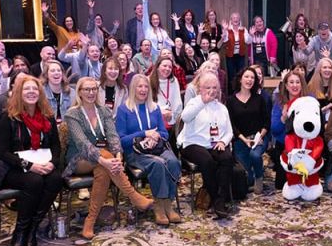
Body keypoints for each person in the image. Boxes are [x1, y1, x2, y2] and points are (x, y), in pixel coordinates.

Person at [64, 77, 154, 238]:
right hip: (78, 158)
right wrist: (105, 159)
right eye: (87, 89)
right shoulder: (73, 114)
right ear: (79, 92)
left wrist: (118, 156)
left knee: (103, 170)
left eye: (94, 89)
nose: (91, 93)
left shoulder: (104, 111)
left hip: (103, 161)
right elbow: (82, 143)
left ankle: (90, 221)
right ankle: (134, 197)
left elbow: (113, 136)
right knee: (105, 159)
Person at [0, 75, 63, 246]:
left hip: (41, 163)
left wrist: (52, 163)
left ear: (40, 93)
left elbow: (56, 146)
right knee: (34, 181)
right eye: (26, 89)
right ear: (18, 93)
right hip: (11, 168)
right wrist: (29, 166)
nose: (31, 92)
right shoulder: (8, 117)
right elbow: (2, 152)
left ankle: (32, 228)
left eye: (35, 89)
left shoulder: (47, 116)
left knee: (56, 178)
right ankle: (20, 232)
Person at [115, 75, 181, 226]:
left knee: (172, 161)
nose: (143, 90)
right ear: (133, 89)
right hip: (135, 152)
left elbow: (164, 133)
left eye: (146, 86)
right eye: (139, 86)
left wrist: (155, 136)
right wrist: (144, 134)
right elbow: (122, 139)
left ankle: (168, 204)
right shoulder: (124, 110)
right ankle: (159, 206)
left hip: (156, 148)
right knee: (158, 165)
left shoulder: (155, 108)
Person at [178, 73, 235, 219]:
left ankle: (221, 199)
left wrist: (223, 142)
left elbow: (229, 131)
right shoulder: (195, 103)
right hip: (192, 143)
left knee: (227, 158)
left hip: (214, 143)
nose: (211, 90)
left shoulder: (222, 107)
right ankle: (215, 198)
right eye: (207, 87)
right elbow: (185, 117)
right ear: (200, 88)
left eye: (214, 87)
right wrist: (202, 102)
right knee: (207, 161)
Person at [227, 67, 270, 193]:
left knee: (255, 155)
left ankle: (259, 177)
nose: (249, 80)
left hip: (259, 138)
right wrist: (244, 139)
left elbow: (267, 122)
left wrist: (260, 137)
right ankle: (252, 176)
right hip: (241, 140)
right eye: (246, 76)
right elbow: (231, 125)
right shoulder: (230, 101)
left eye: (252, 77)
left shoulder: (259, 99)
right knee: (247, 179)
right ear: (240, 79)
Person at [271, 70, 305, 193]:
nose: (295, 85)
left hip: (304, 146)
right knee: (281, 185)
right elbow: (274, 130)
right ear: (286, 85)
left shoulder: (308, 100)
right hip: (284, 146)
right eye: (291, 82)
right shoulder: (279, 103)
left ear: (302, 84)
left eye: (297, 82)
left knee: (304, 185)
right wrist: (283, 119)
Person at [149, 55, 183, 150]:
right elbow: (147, 103)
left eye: (170, 67)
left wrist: (172, 115)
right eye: (164, 66)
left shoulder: (174, 81)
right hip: (154, 121)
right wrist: (161, 112)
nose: (167, 69)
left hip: (171, 120)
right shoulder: (148, 80)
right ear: (158, 66)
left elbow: (178, 103)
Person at [306, 57, 332, 122]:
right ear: (319, 70)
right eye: (324, 67)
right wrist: (323, 110)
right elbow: (309, 111)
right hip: (317, 123)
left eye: (330, 67)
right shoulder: (311, 87)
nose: (327, 70)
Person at [222, 12, 250, 93]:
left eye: (237, 18)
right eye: (234, 18)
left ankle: (240, 91)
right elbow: (224, 40)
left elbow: (248, 41)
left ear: (239, 19)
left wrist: (250, 35)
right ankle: (232, 93)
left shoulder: (243, 29)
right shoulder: (228, 30)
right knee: (231, 75)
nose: (236, 19)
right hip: (230, 56)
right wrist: (224, 30)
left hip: (240, 55)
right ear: (231, 20)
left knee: (241, 74)